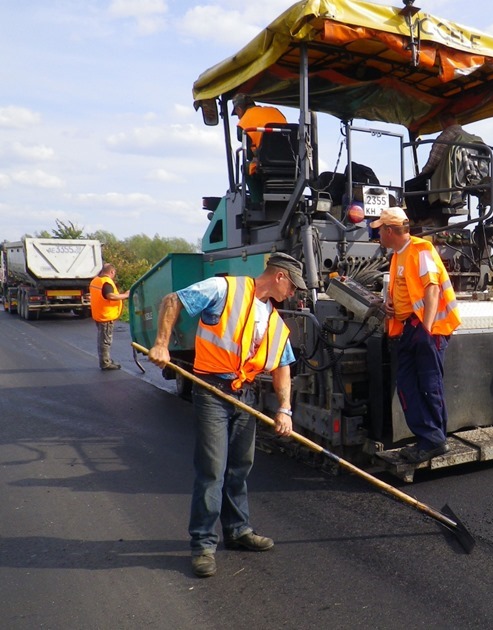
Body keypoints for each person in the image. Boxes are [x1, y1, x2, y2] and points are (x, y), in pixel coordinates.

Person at [148, 252, 305, 578]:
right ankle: (203, 544)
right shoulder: (225, 289)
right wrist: (161, 343)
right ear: (279, 277)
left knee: (239, 468)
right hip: (211, 392)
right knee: (212, 470)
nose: (294, 294)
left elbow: (282, 366)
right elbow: (173, 300)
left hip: (244, 396)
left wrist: (285, 409)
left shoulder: (275, 321)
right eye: (293, 286)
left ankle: (237, 531)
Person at [372, 207, 462, 464]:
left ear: (390, 231)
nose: (377, 233)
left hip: (424, 330)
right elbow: (404, 290)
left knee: (428, 385)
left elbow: (431, 290)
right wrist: (389, 305)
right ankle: (429, 438)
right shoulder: (397, 256)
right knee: (408, 385)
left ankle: (434, 441)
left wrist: (427, 328)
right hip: (410, 328)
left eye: (380, 229)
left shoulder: (420, 250)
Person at [232, 93, 288, 203]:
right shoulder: (275, 111)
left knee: (247, 167)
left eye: (237, 113)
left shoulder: (243, 123)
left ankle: (257, 202)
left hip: (266, 163)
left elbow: (248, 155)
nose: (238, 117)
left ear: (239, 109)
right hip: (290, 163)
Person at [89, 263, 130, 370]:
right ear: (111, 272)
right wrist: (125, 295)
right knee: (105, 341)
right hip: (106, 316)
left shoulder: (96, 280)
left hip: (99, 314)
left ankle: (105, 360)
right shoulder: (106, 282)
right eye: (114, 273)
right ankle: (105, 363)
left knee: (103, 339)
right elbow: (110, 296)